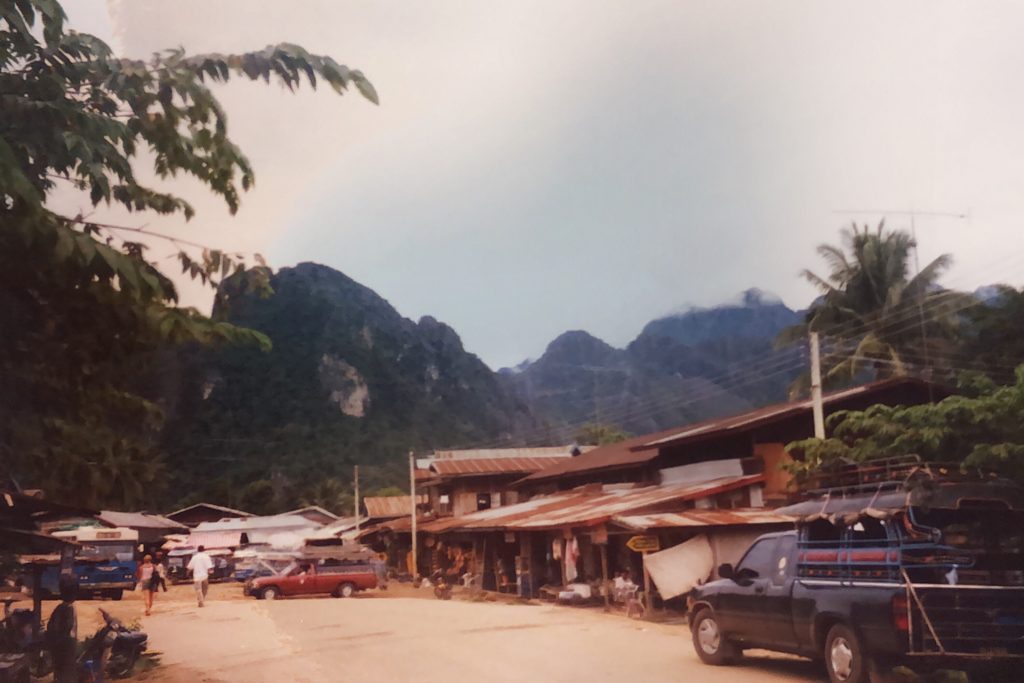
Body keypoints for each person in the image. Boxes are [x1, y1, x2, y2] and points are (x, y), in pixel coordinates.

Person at [46, 575, 78, 683]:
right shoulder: (68, 609)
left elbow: (51, 627)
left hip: (60, 646)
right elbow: (66, 628)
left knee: (61, 674)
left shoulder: (60, 608)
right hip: (65, 646)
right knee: (66, 675)